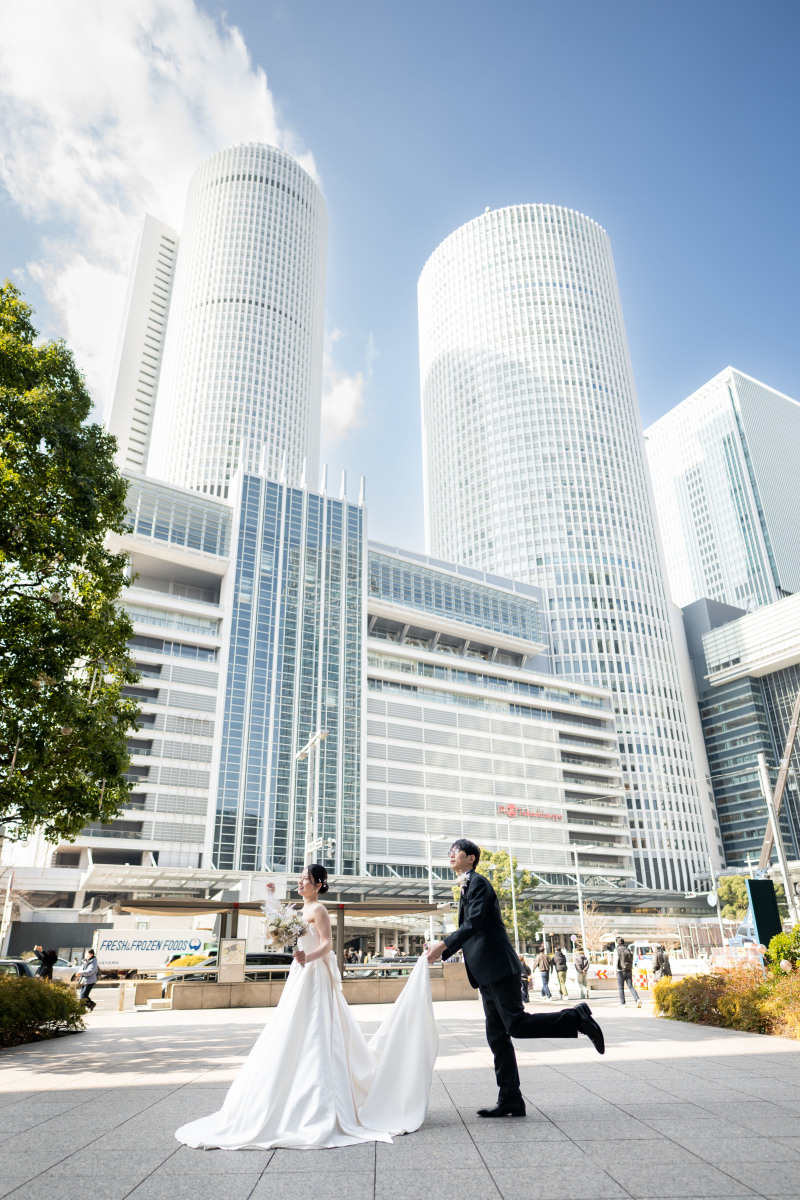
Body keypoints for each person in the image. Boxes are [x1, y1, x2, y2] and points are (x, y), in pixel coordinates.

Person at [176, 864, 438, 1150]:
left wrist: (306, 956)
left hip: (314, 973)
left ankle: (325, 1100)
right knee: (291, 1028)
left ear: (318, 885)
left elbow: (327, 944)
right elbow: (280, 921)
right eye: (300, 879)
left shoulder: (320, 911)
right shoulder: (299, 912)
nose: (300, 882)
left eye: (306, 879)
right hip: (301, 974)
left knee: (318, 1028)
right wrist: (270, 896)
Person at [427, 839, 604, 1119]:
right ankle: (510, 1099)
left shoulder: (479, 883)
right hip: (485, 972)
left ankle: (576, 1018)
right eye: (449, 851)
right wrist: (442, 948)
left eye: (455, 851)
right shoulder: (466, 885)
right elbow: (472, 928)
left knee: (516, 1025)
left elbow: (472, 924)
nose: (450, 855)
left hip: (498, 968)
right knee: (497, 1037)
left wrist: (443, 946)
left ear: (471, 858)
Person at [614, 938, 642, 1007]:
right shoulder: (628, 949)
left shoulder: (617, 950)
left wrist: (615, 971)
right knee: (630, 986)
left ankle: (623, 1003)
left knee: (621, 987)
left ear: (617, 943)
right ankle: (637, 999)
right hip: (629, 970)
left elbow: (615, 961)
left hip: (620, 971)